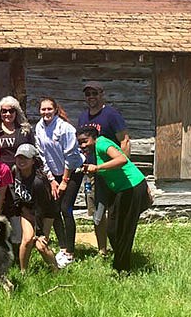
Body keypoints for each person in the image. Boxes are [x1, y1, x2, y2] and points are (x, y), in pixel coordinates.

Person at [77, 126, 150, 273]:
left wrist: (98, 168)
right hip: (122, 190)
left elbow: (122, 159)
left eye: (85, 141)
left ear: (94, 137)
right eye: (80, 143)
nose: (83, 145)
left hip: (133, 187)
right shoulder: (96, 149)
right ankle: (123, 259)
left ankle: (122, 269)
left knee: (124, 229)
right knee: (112, 228)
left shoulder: (102, 144)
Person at [77, 81, 131, 256]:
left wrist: (124, 166)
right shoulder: (83, 118)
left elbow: (125, 141)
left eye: (95, 93)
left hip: (111, 171)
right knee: (96, 213)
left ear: (102, 94)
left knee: (116, 211)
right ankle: (102, 250)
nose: (91, 97)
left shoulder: (111, 115)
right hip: (92, 173)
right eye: (88, 94)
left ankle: (120, 248)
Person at [35, 97, 84, 269]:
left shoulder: (66, 129)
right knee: (54, 210)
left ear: (55, 110)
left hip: (73, 171)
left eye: (49, 109)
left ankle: (70, 253)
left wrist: (64, 181)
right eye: (43, 109)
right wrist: (51, 179)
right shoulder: (39, 127)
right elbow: (42, 155)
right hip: (54, 174)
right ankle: (62, 248)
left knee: (65, 208)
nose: (46, 112)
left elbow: (71, 157)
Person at [0, 96, 35, 247]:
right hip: (0, 175)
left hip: (20, 175)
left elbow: (33, 151)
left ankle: (20, 241)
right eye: (4, 111)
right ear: (0, 112)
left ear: (16, 112)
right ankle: (1, 241)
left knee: (19, 206)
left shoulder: (24, 130)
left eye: (11, 111)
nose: (7, 114)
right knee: (2, 205)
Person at [12, 144, 59, 273]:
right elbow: (14, 189)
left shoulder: (38, 181)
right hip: (27, 209)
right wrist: (20, 208)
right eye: (19, 157)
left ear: (33, 161)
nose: (21, 161)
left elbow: (41, 209)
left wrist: (40, 232)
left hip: (45, 213)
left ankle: (56, 270)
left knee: (40, 245)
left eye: (25, 158)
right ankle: (23, 272)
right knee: (27, 240)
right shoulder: (15, 170)